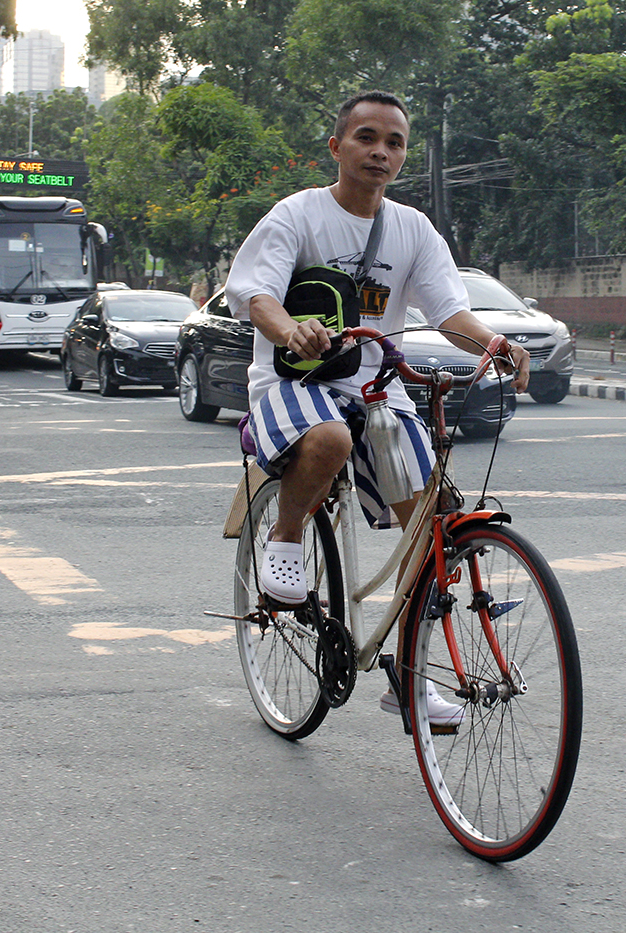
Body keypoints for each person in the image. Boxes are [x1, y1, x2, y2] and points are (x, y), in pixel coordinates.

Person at [224, 90, 531, 725]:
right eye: (366, 138)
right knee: (330, 440)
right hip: (295, 382)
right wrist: (290, 331)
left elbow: (449, 313)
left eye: (394, 142)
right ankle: (285, 537)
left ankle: (409, 676)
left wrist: (494, 344)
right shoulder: (296, 216)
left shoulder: (412, 230)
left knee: (429, 526)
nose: (380, 151)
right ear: (337, 147)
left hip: (377, 389)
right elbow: (255, 294)